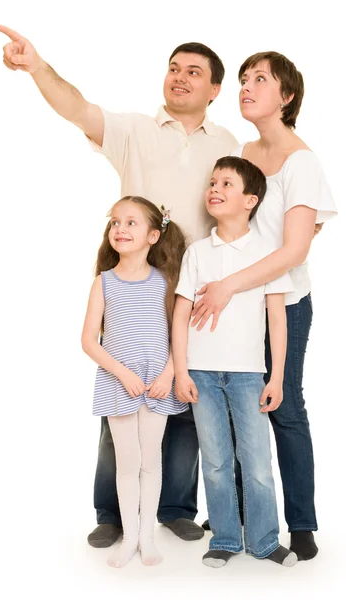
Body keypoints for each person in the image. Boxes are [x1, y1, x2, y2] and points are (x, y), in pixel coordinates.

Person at [0, 23, 238, 546]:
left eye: (193, 72)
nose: (179, 78)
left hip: (194, 289)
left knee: (182, 393)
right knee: (122, 391)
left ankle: (175, 506)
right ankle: (111, 511)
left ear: (214, 89)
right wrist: (37, 66)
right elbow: (77, 107)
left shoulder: (227, 143)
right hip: (135, 281)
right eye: (174, 68)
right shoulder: (134, 129)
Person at [190, 52, 338, 560]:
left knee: (285, 407)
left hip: (284, 303)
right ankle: (234, 514)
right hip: (230, 307)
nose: (247, 87)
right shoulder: (243, 152)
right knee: (232, 409)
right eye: (243, 80)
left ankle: (300, 523)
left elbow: (295, 250)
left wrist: (229, 284)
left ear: (287, 96)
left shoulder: (303, 160)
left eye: (260, 80)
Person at [173, 156, 297, 568]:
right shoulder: (197, 252)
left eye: (226, 183)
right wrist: (180, 370)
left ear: (250, 199)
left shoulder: (267, 254)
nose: (215, 188)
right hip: (201, 374)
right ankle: (224, 537)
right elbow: (180, 312)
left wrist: (276, 376)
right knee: (215, 461)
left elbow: (277, 318)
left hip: (248, 375)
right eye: (212, 182)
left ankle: (264, 540)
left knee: (258, 461)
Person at [81, 195, 188, 567]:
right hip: (119, 383)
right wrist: (124, 373)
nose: (120, 229)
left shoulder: (166, 282)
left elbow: (181, 335)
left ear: (154, 236)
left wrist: (169, 374)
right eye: (115, 222)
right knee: (126, 462)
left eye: (131, 223)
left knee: (150, 461)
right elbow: (88, 341)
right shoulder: (104, 282)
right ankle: (129, 537)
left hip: (157, 384)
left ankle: (147, 537)